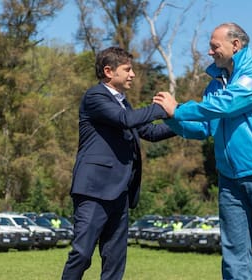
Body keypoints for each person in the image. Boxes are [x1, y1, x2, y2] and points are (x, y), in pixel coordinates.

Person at [153, 22, 252, 280]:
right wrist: (170, 118)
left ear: (236, 45)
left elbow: (227, 104)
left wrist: (178, 108)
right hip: (230, 180)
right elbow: (203, 129)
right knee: (234, 258)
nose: (209, 52)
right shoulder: (215, 85)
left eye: (214, 46)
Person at [61, 46, 176, 280]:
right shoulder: (95, 97)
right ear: (109, 71)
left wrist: (185, 122)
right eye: (128, 69)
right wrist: (161, 108)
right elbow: (125, 120)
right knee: (82, 254)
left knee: (115, 260)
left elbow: (150, 133)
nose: (133, 74)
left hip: (121, 192)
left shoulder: (124, 103)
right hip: (94, 190)